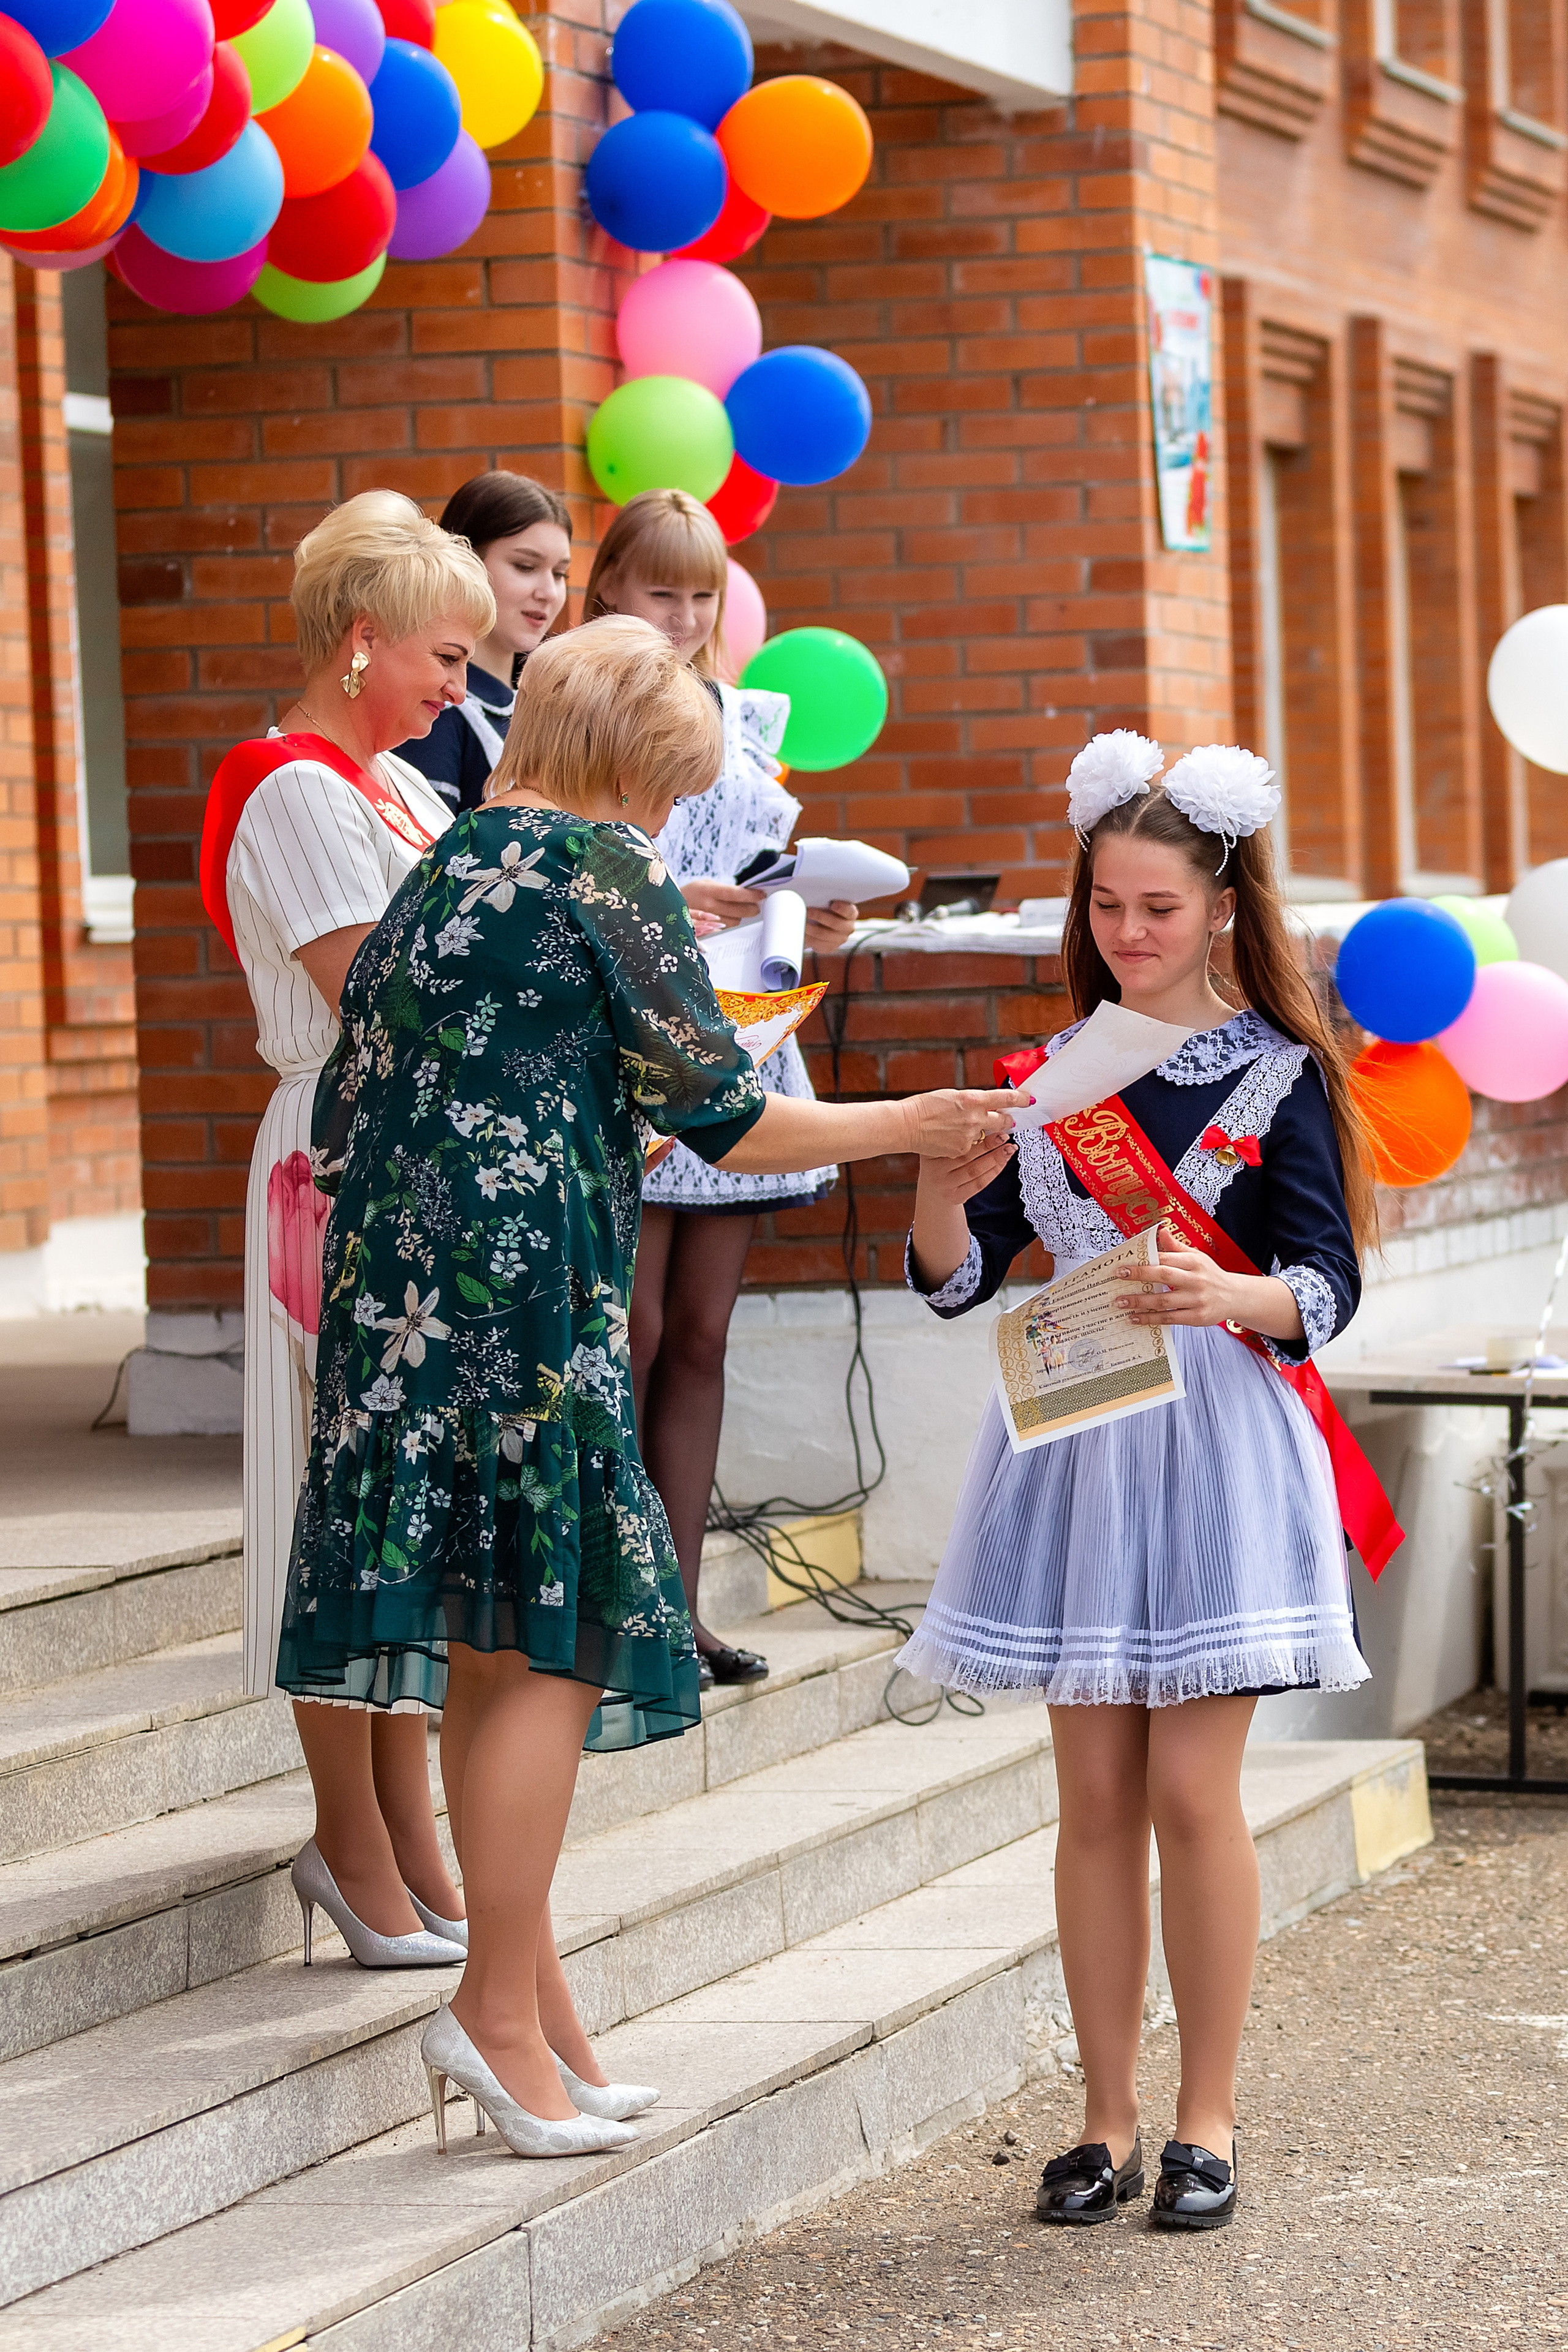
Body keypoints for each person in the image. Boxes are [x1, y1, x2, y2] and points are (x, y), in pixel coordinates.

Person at [273, 616, 1016, 2157]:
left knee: (490, 1650)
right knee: (550, 1655)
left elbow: (360, 1094)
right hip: (524, 1300)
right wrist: (921, 1121)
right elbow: (731, 1125)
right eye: (666, 792)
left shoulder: (442, 863)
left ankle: (536, 2017)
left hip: (392, 1302)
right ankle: (491, 2016)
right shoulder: (607, 873)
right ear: (627, 765)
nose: (669, 823)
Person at [899, 733, 1387, 2233]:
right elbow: (953, 1274)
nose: (1128, 932)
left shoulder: (1279, 1071)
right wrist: (931, 1173)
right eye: (1106, 905)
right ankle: (1101, 2116)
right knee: (1091, 1794)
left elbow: (1325, 1283)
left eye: (1158, 908)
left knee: (1190, 1787)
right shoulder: (1043, 1081)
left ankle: (1206, 2112)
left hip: (1221, 1445)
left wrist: (1216, 1296)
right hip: (1076, 1441)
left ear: (1221, 907)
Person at [204, 488, 496, 1969]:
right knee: (342, 1505)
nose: (461, 687)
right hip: (345, 1152)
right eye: (445, 657)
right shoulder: (292, 788)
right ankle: (352, 1836)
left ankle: (406, 1826)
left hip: (413, 1155)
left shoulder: (404, 792)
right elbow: (376, 987)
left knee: (402, 1505)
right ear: (361, 640)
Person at [587, 489, 858, 1687]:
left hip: (739, 1029)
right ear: (608, 590)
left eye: (703, 593)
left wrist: (814, 918)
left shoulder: (746, 717)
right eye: (662, 589)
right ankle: (607, 1610)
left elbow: (765, 868)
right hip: (632, 1042)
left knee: (696, 1336)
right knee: (628, 1331)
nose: (686, 614)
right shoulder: (576, 703)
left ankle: (678, 1612)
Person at [396, 471, 573, 813]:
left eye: (560, 573)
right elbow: (425, 859)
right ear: (466, 563)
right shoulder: (436, 708)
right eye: (525, 566)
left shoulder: (549, 704)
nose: (548, 592)